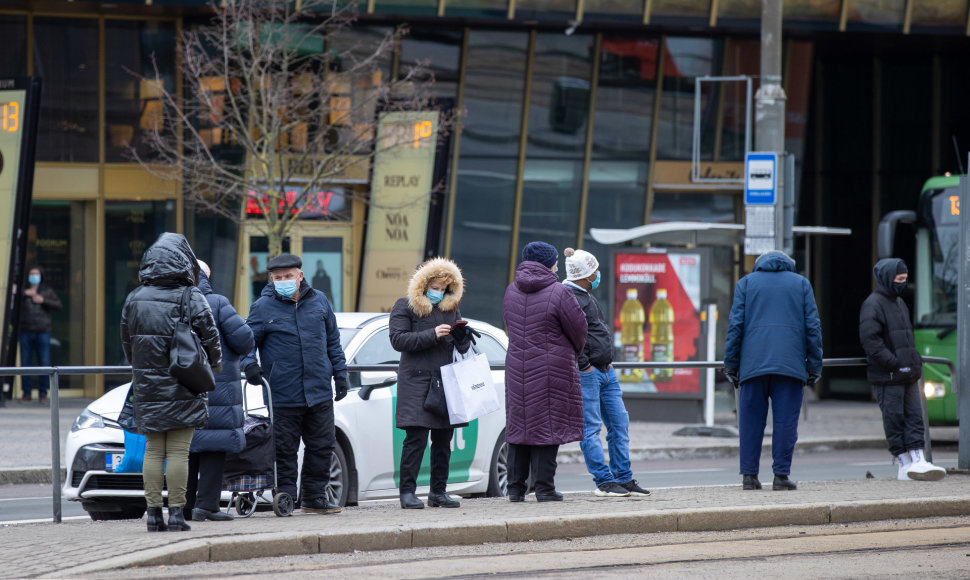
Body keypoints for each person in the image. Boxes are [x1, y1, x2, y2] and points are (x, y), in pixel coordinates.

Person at [121, 233, 222, 532]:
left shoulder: (135, 297)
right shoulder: (191, 296)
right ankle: (176, 515)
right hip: (185, 382)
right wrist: (212, 365)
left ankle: (153, 515)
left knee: (153, 450)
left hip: (147, 384)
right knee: (178, 451)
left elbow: (127, 343)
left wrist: (141, 366)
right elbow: (211, 337)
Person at [242, 253, 348, 515]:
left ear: (300, 276)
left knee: (322, 444)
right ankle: (286, 497)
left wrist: (341, 375)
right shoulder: (262, 307)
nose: (283, 281)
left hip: (319, 390)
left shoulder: (320, 301)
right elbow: (245, 343)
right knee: (284, 449)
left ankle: (314, 497)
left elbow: (333, 342)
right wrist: (250, 366)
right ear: (271, 279)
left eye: (288, 276)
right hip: (282, 391)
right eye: (278, 278)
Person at [723, 250, 822, 492]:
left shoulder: (746, 283)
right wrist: (814, 365)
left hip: (752, 366)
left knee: (750, 423)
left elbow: (735, 326)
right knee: (785, 423)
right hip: (790, 366)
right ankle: (781, 476)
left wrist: (731, 364)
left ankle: (749, 476)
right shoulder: (801, 284)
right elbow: (813, 327)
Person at [502, 241, 587, 502]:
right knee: (548, 428)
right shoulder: (559, 292)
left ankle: (515, 489)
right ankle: (544, 489)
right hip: (552, 370)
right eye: (555, 262)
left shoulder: (510, 290)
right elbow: (579, 330)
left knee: (519, 427)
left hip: (517, 368)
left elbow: (509, 325)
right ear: (549, 264)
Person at [562, 248, 650, 498]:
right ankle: (603, 480)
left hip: (604, 370)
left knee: (619, 423)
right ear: (586, 274)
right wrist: (585, 364)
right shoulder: (569, 297)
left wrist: (605, 362)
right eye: (595, 271)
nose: (598, 274)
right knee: (591, 428)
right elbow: (568, 337)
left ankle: (623, 477)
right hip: (588, 373)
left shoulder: (587, 295)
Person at [389, 257, 475, 509]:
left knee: (443, 440)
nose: (438, 292)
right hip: (415, 381)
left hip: (445, 380)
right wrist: (431, 334)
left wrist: (462, 338)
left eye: (442, 287)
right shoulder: (404, 306)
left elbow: (461, 347)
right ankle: (407, 492)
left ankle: (439, 492)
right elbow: (398, 340)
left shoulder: (451, 308)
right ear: (422, 284)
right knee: (415, 439)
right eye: (434, 286)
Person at [859, 258, 945, 481]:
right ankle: (904, 462)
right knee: (894, 417)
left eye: (905, 279)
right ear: (888, 279)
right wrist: (895, 362)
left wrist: (910, 361)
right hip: (889, 375)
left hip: (907, 373)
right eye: (899, 279)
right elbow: (871, 341)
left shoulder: (899, 303)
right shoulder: (873, 304)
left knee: (914, 416)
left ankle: (918, 459)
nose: (903, 283)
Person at [185, 260, 255, 522]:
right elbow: (244, 339)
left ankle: (184, 505)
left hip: (182, 389)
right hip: (217, 388)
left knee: (186, 448)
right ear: (206, 276)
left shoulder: (171, 303)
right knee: (213, 446)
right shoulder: (217, 303)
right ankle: (207, 504)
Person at [18, 266, 62, 403]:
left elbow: (58, 305)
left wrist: (43, 300)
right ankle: (26, 393)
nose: (34, 276)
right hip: (25, 330)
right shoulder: (23, 291)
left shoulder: (47, 291)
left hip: (43, 331)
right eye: (31, 274)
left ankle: (43, 393)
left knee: (44, 363)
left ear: (41, 276)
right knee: (25, 363)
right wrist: (25, 294)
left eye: (36, 274)